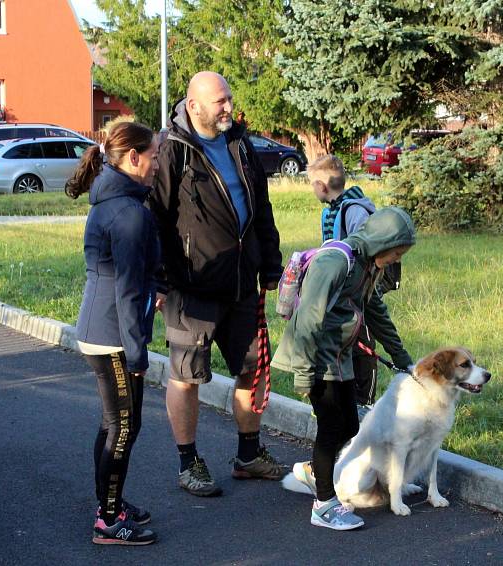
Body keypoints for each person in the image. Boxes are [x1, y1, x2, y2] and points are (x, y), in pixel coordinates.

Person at [148, 71, 286, 497]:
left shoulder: (239, 143)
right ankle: (189, 462)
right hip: (193, 287)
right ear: (193, 106)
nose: (228, 107)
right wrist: (155, 280)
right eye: (219, 102)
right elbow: (154, 217)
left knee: (253, 368)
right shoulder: (174, 150)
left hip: (244, 282)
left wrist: (272, 263)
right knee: (187, 376)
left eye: (228, 98)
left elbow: (260, 206)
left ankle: (248, 454)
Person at [272, 207, 415, 530]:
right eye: (395, 252)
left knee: (350, 426)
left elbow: (375, 311)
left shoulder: (368, 266)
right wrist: (305, 374)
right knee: (331, 426)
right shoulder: (336, 262)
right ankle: (323, 505)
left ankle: (314, 472)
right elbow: (309, 318)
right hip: (316, 357)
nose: (395, 260)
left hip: (340, 356)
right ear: (382, 243)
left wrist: (402, 357)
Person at [66, 121, 161, 545]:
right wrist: (137, 355)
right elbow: (126, 290)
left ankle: (111, 502)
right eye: (155, 155)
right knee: (123, 426)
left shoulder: (116, 199)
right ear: (135, 158)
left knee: (116, 424)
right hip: (112, 336)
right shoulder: (128, 214)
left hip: (101, 328)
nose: (158, 163)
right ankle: (108, 519)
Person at [308, 155, 380, 418]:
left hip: (357, 290)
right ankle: (346, 396)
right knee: (346, 340)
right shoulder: (331, 210)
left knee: (364, 341)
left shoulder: (353, 209)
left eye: (312, 184)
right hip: (338, 291)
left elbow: (364, 249)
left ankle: (365, 400)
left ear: (322, 185)